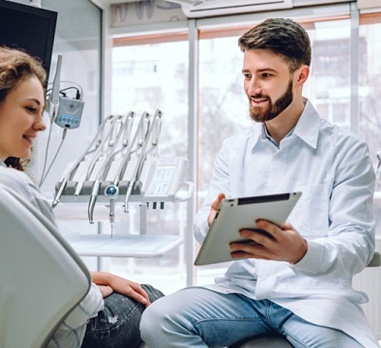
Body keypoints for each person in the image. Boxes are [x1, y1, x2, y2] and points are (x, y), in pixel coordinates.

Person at [140, 18, 380, 348]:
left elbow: (357, 244)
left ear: (300, 76)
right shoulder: (233, 149)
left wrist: (301, 252)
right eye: (247, 75)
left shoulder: (347, 150)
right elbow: (201, 223)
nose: (252, 88)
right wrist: (212, 222)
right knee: (158, 320)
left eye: (266, 76)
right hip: (243, 294)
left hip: (314, 299)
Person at [0, 46, 164, 348]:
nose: (42, 124)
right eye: (30, 109)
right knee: (154, 299)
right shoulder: (15, 189)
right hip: (61, 332)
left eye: (42, 111)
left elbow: (20, 273)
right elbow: (78, 303)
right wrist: (93, 289)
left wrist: (96, 277)